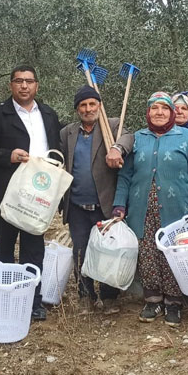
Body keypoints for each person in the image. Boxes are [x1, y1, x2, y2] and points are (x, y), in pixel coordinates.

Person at [0, 65, 63, 321]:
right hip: (7, 196)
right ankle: (4, 297)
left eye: (29, 81)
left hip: (38, 196)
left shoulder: (48, 114)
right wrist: (7, 155)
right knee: (4, 249)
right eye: (19, 81)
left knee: (34, 249)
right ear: (11, 85)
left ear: (37, 85)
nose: (24, 86)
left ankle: (32, 301)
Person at [112, 92, 188, 327]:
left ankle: (173, 303)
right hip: (142, 207)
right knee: (147, 252)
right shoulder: (137, 138)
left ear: (172, 112)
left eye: (164, 108)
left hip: (177, 207)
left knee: (173, 253)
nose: (159, 113)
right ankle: (152, 300)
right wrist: (119, 205)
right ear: (148, 112)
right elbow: (125, 176)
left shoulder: (186, 137)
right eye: (154, 108)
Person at [59, 85, 133, 314]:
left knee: (108, 251)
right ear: (77, 109)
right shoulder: (67, 133)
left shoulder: (112, 125)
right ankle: (85, 296)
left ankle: (109, 297)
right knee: (80, 250)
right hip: (77, 205)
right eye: (83, 105)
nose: (88, 109)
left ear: (99, 106)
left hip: (105, 203)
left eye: (92, 104)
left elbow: (130, 137)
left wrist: (118, 148)